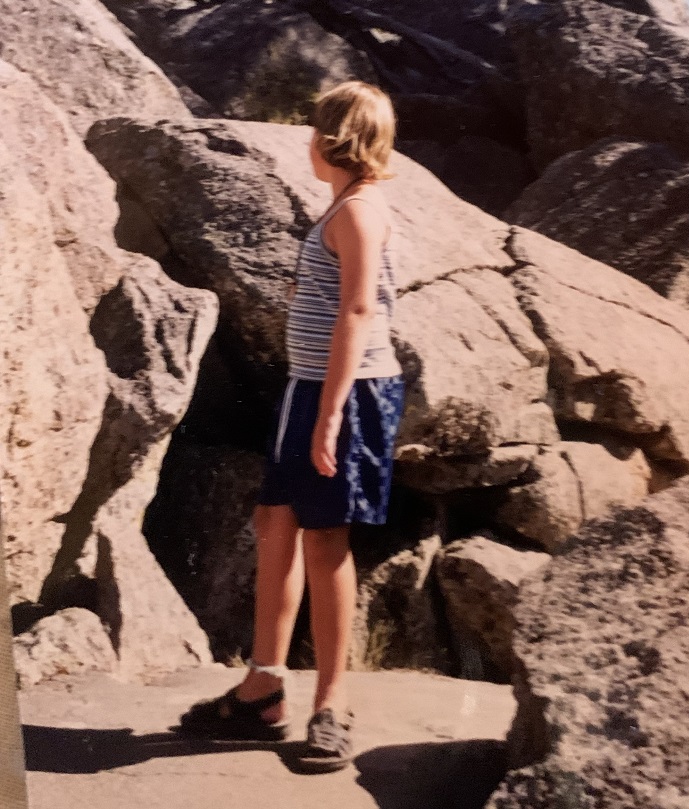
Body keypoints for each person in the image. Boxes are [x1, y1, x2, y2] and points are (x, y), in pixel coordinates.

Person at [180, 81, 405, 773]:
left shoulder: (360, 211)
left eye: (314, 128)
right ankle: (264, 686)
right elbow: (338, 295)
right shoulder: (340, 205)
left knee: (325, 536)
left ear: (331, 138)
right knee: (275, 521)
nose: (306, 139)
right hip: (308, 387)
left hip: (348, 394)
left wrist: (332, 412)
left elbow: (361, 311)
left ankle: (331, 704)